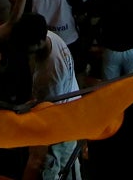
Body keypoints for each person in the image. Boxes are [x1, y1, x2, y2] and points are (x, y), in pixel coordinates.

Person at [11, 13, 81, 180]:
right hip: (72, 111)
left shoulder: (50, 77)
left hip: (59, 129)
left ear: (39, 43)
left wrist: (23, 113)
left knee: (49, 168)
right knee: (72, 166)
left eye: (28, 46)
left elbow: (47, 115)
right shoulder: (50, 36)